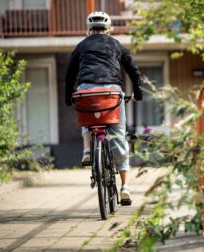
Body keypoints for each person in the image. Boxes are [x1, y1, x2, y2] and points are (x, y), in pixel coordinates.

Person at [65, 11, 143, 204]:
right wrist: (138, 93)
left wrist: (68, 98)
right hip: (111, 93)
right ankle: (125, 187)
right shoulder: (117, 45)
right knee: (119, 135)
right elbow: (133, 70)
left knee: (86, 113)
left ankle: (87, 150)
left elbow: (69, 75)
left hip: (86, 90)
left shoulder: (81, 46)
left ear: (89, 28)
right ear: (109, 28)